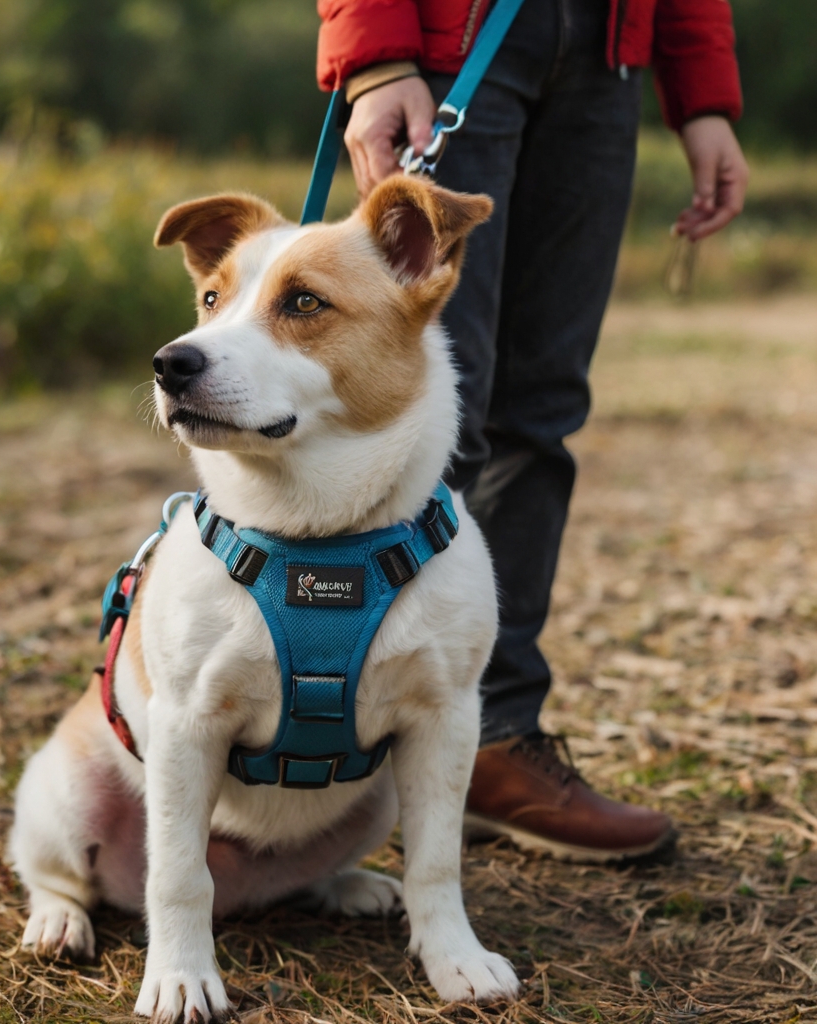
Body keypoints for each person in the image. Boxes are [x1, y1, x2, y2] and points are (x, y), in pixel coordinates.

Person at [316, 0, 748, 861]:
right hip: (454, 37)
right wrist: (374, 61)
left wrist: (702, 97)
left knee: (542, 413)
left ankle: (494, 744)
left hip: (608, 54)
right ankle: (335, 738)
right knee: (436, 417)